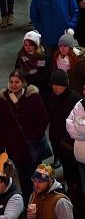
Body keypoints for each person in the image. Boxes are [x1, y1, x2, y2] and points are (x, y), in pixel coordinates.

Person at [0, 70, 50, 206]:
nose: (14, 85)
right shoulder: (3, 100)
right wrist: (5, 143)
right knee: (23, 177)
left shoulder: (32, 97)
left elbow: (44, 118)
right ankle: (29, 203)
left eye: (17, 82)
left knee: (36, 176)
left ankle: (41, 202)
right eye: (11, 82)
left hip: (32, 146)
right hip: (15, 148)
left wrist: (35, 135)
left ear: (23, 83)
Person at [47, 71, 83, 218]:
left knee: (76, 176)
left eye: (59, 85)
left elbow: (79, 125)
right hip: (58, 144)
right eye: (53, 85)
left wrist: (67, 141)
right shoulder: (52, 97)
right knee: (69, 174)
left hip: (71, 145)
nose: (55, 88)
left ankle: (80, 206)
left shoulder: (75, 99)